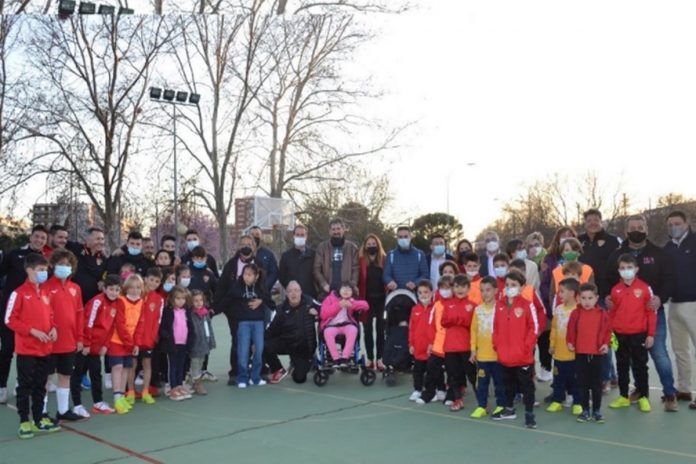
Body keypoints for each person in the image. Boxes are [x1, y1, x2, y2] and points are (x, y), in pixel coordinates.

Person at [606, 214, 678, 411]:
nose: (636, 230)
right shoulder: (616, 255)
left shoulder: (658, 253)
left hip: (652, 313)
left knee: (659, 353)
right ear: (626, 231)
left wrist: (660, 298)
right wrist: (607, 297)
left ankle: (670, 393)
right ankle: (639, 390)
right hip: (626, 320)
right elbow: (607, 280)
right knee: (631, 358)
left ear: (646, 229)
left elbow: (669, 279)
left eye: (640, 226)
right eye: (632, 227)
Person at [5, 252, 61, 439]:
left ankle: (39, 419)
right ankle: (24, 421)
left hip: (45, 349)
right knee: (25, 386)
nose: (44, 273)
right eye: (40, 270)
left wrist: (53, 328)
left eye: (45, 270)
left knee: (40, 385)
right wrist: (32, 331)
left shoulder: (45, 292)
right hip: (27, 350)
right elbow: (9, 320)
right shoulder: (18, 293)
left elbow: (51, 316)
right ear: (29, 270)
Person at [0, 225, 49, 404]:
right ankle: (2, 387)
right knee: (7, 350)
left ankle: (22, 385)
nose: (39, 240)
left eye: (43, 238)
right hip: (12, 310)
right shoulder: (14, 255)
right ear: (31, 237)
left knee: (29, 354)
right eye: (37, 236)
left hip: (33, 314)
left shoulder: (45, 260)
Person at [214, 235, 265, 385]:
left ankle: (255, 372)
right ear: (238, 247)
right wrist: (216, 307)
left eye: (249, 244)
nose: (246, 246)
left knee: (257, 343)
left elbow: (265, 287)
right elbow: (222, 287)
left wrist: (261, 300)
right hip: (236, 311)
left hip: (256, 311)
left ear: (254, 247)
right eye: (242, 243)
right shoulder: (231, 265)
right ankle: (236, 372)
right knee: (238, 341)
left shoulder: (259, 265)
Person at [607, 254, 655, 413]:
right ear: (618, 270)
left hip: (639, 334)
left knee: (640, 366)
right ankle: (623, 396)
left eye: (629, 268)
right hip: (619, 335)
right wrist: (609, 333)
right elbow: (611, 314)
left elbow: (651, 313)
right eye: (622, 268)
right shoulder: (615, 290)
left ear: (636, 269)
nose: (626, 271)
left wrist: (650, 334)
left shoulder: (644, 288)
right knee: (622, 366)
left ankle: (643, 396)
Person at [492, 271, 538, 429]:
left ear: (522, 287)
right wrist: (497, 345)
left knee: (527, 386)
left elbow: (534, 328)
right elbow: (495, 327)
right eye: (507, 285)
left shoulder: (527, 305)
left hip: (523, 356)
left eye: (514, 285)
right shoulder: (499, 305)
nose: (510, 288)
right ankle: (509, 409)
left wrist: (527, 347)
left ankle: (529, 414)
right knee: (508, 384)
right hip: (504, 355)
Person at [73, 274, 122, 417]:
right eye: (111, 289)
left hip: (98, 347)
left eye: (117, 290)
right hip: (85, 346)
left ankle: (98, 402)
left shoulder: (116, 304)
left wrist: (106, 345)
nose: (114, 293)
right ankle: (77, 405)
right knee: (77, 374)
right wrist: (86, 343)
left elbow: (111, 327)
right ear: (104, 289)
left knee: (96, 375)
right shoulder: (97, 302)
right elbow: (88, 323)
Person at [44, 249, 84, 422]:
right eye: (61, 264)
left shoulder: (75, 288)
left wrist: (80, 338)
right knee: (45, 377)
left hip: (69, 341)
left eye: (68, 265)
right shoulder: (45, 287)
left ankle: (63, 410)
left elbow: (79, 314)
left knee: (65, 376)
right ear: (52, 265)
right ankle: (42, 411)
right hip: (49, 342)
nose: (64, 267)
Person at [662, 210, 696, 405]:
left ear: (686, 223)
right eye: (670, 225)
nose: (674, 227)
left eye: (677, 223)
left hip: (694, 304)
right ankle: (684, 389)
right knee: (680, 350)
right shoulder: (667, 248)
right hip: (674, 305)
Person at [567, 283, 611, 423]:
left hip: (597, 354)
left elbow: (607, 331)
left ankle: (596, 411)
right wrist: (570, 342)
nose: (587, 301)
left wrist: (605, 344)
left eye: (590, 298)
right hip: (580, 353)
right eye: (584, 298)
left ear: (597, 298)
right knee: (582, 384)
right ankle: (585, 410)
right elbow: (571, 330)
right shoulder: (575, 313)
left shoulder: (602, 314)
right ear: (579, 298)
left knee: (597, 384)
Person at [264, 281, 319, 384]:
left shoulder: (309, 302)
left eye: (296, 290)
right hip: (287, 343)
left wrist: (318, 311)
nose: (293, 293)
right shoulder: (281, 309)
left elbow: (324, 309)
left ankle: (298, 364)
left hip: (304, 348)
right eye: (290, 291)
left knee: (299, 379)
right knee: (263, 344)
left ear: (301, 292)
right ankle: (278, 369)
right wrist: (258, 343)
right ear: (286, 294)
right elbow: (271, 330)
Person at [230, 263, 271, 388]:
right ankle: (242, 377)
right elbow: (229, 298)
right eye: (244, 274)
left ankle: (255, 377)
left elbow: (269, 300)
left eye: (249, 275)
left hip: (258, 323)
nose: (246, 277)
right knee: (243, 350)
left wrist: (261, 300)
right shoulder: (237, 287)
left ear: (256, 276)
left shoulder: (261, 288)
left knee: (259, 349)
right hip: (243, 323)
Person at [469, 276, 505, 419]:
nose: (485, 293)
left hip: (498, 356)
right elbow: (473, 331)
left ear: (496, 291)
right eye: (482, 290)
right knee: (482, 383)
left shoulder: (501, 309)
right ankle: (481, 406)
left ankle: (501, 405)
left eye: (488, 290)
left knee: (499, 383)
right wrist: (473, 350)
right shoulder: (478, 310)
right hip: (482, 356)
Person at [109, 274, 145, 415]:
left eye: (138, 288)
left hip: (130, 344)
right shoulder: (121, 301)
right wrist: (129, 343)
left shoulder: (142, 302)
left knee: (126, 368)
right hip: (117, 341)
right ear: (126, 288)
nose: (135, 290)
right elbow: (120, 324)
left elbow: (140, 325)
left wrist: (136, 343)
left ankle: (122, 395)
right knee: (117, 367)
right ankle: (116, 397)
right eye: (131, 287)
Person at [441, 274, 476, 412]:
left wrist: (459, 321)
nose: (459, 289)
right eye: (456, 286)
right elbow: (444, 321)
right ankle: (457, 399)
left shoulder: (472, 305)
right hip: (450, 346)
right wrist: (457, 321)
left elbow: (472, 324)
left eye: (463, 286)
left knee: (472, 373)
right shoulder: (448, 304)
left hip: (466, 346)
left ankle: (481, 398)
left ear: (468, 289)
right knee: (452, 375)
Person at [546, 278, 581, 415]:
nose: (559, 295)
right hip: (559, 354)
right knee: (558, 378)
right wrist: (552, 344)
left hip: (573, 355)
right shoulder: (558, 309)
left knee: (575, 380)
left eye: (562, 292)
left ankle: (577, 402)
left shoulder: (578, 310)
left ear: (572, 293)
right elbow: (554, 328)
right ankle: (557, 400)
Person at [416, 275, 452, 405]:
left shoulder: (455, 304)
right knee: (432, 368)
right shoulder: (436, 305)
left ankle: (451, 395)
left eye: (448, 288)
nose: (445, 290)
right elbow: (431, 326)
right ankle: (429, 393)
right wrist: (431, 342)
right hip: (437, 344)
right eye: (442, 288)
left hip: (452, 345)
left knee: (452, 372)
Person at [319, 282, 369, 366]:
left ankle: (345, 357)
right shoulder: (329, 299)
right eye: (344, 289)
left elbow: (366, 306)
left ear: (352, 292)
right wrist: (338, 306)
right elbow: (323, 315)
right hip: (332, 325)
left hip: (347, 325)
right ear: (339, 290)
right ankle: (336, 358)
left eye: (349, 289)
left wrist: (352, 305)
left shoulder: (352, 300)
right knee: (327, 332)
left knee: (353, 330)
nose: (346, 291)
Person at [159, 286, 195, 401]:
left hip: (183, 344)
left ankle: (179, 385)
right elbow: (162, 328)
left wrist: (190, 341)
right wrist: (167, 336)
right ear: (172, 299)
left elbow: (190, 328)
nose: (181, 301)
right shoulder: (168, 311)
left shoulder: (186, 311)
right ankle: (172, 388)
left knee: (181, 366)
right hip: (172, 344)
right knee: (173, 366)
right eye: (178, 298)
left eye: (183, 299)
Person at [578, 209, 621, 304]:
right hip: (584, 294)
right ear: (585, 223)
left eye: (596, 220)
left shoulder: (613, 241)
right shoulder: (578, 241)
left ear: (601, 222)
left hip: (606, 295)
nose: (593, 223)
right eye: (589, 220)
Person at [135, 267, 164, 404]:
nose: (153, 283)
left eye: (157, 281)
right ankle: (130, 390)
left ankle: (145, 390)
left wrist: (153, 337)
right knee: (132, 364)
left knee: (147, 364)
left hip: (148, 339)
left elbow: (158, 320)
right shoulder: (135, 294)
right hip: (133, 338)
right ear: (145, 279)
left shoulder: (159, 299)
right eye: (151, 280)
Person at [358, 234, 387, 370]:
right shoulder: (361, 261)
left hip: (382, 300)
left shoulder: (384, 260)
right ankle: (370, 359)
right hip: (366, 300)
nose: (371, 246)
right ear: (365, 246)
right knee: (367, 330)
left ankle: (380, 359)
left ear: (378, 245)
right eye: (368, 244)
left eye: (373, 243)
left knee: (381, 330)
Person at [313, 219, 359, 299]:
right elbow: (316, 269)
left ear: (343, 229)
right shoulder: (322, 247)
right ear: (329, 231)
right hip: (327, 291)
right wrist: (323, 284)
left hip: (346, 292)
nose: (336, 232)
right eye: (333, 229)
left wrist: (351, 285)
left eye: (338, 228)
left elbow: (356, 269)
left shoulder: (352, 248)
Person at [67, 227, 108, 304]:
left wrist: (103, 281)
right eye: (98, 239)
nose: (101, 242)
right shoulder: (75, 249)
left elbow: (107, 273)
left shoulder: (103, 259)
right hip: (74, 298)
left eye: (102, 239)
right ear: (88, 240)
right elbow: (59, 243)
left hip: (92, 302)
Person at [409, 280, 434, 402]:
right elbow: (412, 328)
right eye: (420, 292)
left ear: (432, 293)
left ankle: (432, 390)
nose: (423, 295)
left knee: (432, 371)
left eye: (426, 292)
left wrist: (433, 343)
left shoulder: (435, 308)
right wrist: (411, 344)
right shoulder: (415, 309)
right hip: (418, 347)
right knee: (417, 370)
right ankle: (417, 390)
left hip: (430, 348)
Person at [383, 226, 429, 291]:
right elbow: (386, 275)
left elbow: (425, 274)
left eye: (405, 236)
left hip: (414, 294)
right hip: (396, 294)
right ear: (397, 239)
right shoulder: (391, 255)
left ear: (410, 237)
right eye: (400, 237)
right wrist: (390, 281)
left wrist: (415, 283)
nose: (403, 239)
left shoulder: (420, 254)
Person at [189, 290, 216, 395]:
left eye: (200, 300)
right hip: (195, 345)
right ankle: (197, 384)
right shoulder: (190, 314)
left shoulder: (205, 313)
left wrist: (211, 341)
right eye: (195, 300)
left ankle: (194, 380)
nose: (199, 302)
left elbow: (209, 328)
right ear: (191, 302)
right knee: (195, 363)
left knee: (200, 362)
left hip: (204, 343)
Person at [278, 225, 317, 298]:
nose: (300, 237)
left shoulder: (313, 255)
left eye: (302, 235)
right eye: (297, 235)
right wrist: (290, 288)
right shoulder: (286, 256)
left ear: (306, 236)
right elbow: (281, 276)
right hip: (292, 296)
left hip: (310, 295)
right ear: (294, 236)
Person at [249, 226, 279, 292]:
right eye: (252, 234)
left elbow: (274, 273)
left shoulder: (269, 254)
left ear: (261, 237)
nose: (254, 236)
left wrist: (264, 286)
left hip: (264, 293)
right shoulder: (243, 254)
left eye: (257, 234)